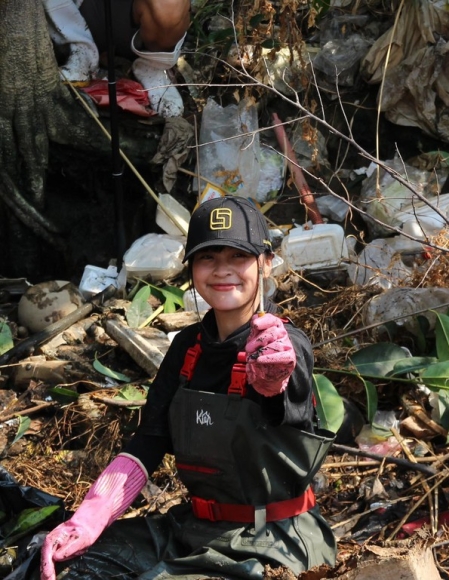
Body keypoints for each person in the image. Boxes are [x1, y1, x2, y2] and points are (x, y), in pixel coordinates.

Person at [40, 196, 337, 580]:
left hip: (273, 540)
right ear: (192, 268)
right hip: (195, 529)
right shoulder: (187, 348)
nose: (222, 271)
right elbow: (148, 441)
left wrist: (273, 380)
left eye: (238, 256)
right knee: (72, 567)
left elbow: (286, 392)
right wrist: (89, 519)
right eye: (208, 258)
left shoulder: (285, 344)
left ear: (265, 262)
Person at [41, 0, 190, 117]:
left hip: (134, 21)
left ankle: (150, 65)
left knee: (170, 3)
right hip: (74, 12)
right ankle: (79, 50)